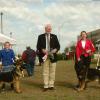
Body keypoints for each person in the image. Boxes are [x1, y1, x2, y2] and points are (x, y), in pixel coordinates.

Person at [37, 24, 60, 91]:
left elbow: (58, 46)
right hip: (44, 56)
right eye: (47, 28)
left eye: (50, 29)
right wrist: (42, 50)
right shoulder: (40, 36)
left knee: (52, 71)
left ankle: (51, 85)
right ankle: (46, 85)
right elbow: (38, 46)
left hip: (53, 56)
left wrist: (55, 50)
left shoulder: (54, 36)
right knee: (45, 71)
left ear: (51, 29)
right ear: (45, 29)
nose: (49, 30)